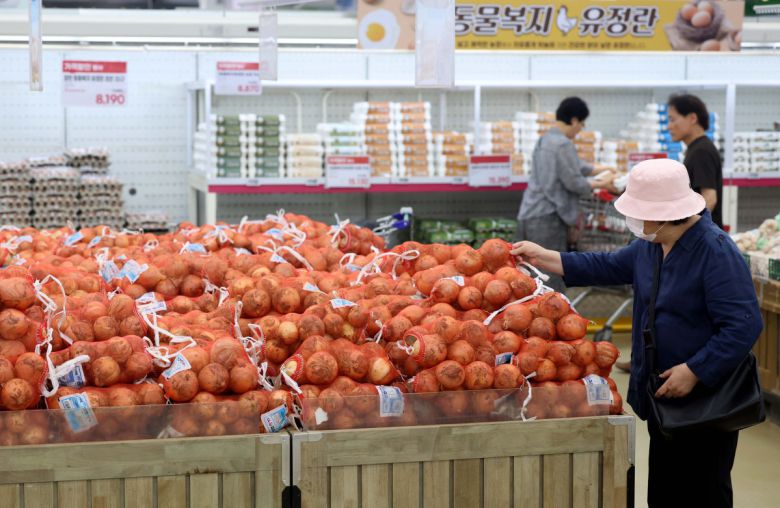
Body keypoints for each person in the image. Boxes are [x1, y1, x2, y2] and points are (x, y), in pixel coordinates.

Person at [511, 158, 762, 508]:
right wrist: (545, 256)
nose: (635, 220)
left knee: (704, 488)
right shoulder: (652, 245)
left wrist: (695, 370)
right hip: (663, 395)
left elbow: (743, 324)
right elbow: (608, 265)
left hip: (706, 402)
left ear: (664, 213)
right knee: (665, 488)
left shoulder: (715, 251)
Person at [516, 96, 615, 292]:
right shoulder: (562, 144)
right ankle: (551, 318)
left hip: (529, 213)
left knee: (525, 274)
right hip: (548, 217)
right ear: (575, 120)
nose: (580, 129)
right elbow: (573, 182)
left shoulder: (545, 139)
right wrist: (600, 183)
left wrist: (599, 169)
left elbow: (574, 166)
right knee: (549, 275)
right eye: (582, 124)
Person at [668, 94, 724, 229]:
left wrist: (685, 230)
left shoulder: (702, 151)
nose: (669, 126)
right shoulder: (695, 148)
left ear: (692, 118)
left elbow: (709, 198)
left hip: (704, 239)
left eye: (673, 120)